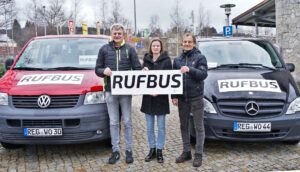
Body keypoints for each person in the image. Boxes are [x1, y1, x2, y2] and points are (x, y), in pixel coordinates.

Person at [95, 23, 142, 164]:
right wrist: (103, 71)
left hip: (126, 92)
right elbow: (97, 69)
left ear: (123, 35)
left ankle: (129, 150)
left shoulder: (130, 49)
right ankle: (115, 150)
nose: (117, 35)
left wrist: (143, 72)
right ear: (111, 34)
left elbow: (137, 68)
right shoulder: (104, 49)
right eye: (115, 33)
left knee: (127, 121)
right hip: (110, 91)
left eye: (119, 33)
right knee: (114, 122)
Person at [171, 33, 208, 167]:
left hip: (196, 97)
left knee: (198, 126)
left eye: (189, 42)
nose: (186, 44)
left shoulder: (200, 57)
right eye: (185, 42)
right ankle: (186, 151)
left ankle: (198, 154)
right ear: (182, 43)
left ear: (194, 43)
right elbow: (172, 79)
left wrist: (190, 70)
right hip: (182, 98)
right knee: (183, 125)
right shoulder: (177, 60)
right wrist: (173, 96)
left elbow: (203, 75)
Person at [140, 38, 172, 163]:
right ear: (151, 47)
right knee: (149, 127)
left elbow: (169, 80)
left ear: (161, 47)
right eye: (154, 45)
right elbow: (141, 80)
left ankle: (159, 150)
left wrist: (159, 91)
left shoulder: (167, 61)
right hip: (148, 98)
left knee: (161, 127)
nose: (156, 47)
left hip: (161, 98)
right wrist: (142, 72)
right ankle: (152, 149)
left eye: (158, 45)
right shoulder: (146, 60)